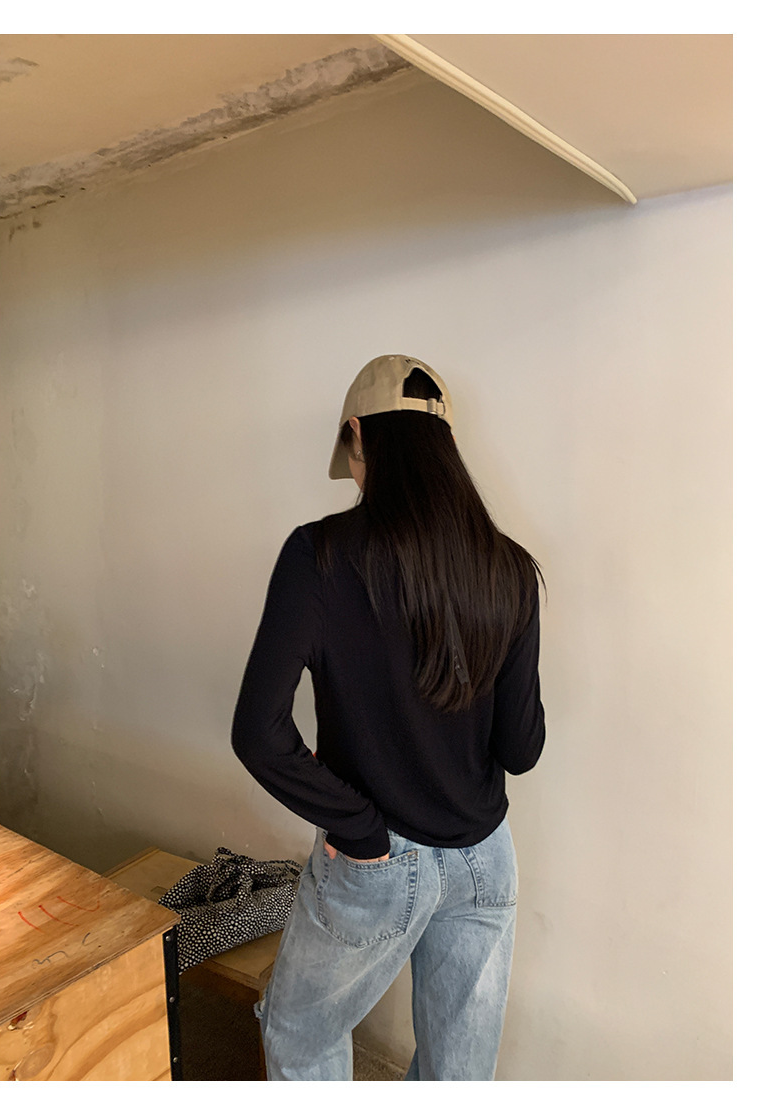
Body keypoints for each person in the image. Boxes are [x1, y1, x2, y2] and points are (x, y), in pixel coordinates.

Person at [231, 354, 545, 1081]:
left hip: (376, 860)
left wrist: (359, 828)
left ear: (356, 435)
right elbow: (521, 749)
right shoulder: (510, 569)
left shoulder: (318, 556)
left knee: (300, 1034)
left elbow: (258, 732)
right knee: (458, 1074)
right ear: (447, 445)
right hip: (484, 857)